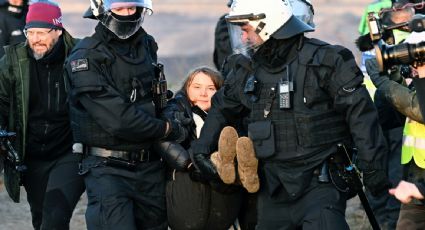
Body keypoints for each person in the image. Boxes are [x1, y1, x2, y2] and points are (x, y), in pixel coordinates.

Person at [191, 0, 390, 229]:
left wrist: (373, 165)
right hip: (272, 188)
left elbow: (361, 115)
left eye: (246, 30)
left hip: (321, 184)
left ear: (268, 24)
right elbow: (221, 107)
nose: (243, 38)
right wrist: (201, 149)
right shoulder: (246, 69)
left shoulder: (326, 60)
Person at [65, 0, 187, 229]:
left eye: (132, 8)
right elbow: (117, 119)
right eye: (119, 8)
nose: (127, 14)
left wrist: (172, 113)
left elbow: (157, 98)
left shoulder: (147, 45)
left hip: (150, 165)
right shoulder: (85, 56)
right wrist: (166, 129)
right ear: (102, 10)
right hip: (107, 168)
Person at [0, 0, 85, 229]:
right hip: (32, 156)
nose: (35, 39)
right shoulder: (12, 61)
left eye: (42, 32)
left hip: (69, 152)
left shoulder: (79, 55)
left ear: (57, 30)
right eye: (30, 32)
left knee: (55, 217)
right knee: (40, 219)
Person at [160, 66, 249, 230]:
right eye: (197, 87)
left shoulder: (234, 118)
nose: (203, 94)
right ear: (187, 88)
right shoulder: (174, 112)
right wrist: (191, 164)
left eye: (211, 88)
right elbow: (165, 143)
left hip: (223, 203)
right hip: (185, 195)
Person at [367, 30, 425, 229]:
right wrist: (394, 76)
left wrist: (384, 83)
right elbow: (407, 106)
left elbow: (418, 108)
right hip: (415, 179)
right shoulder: (420, 81)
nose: (412, 69)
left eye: (416, 62)